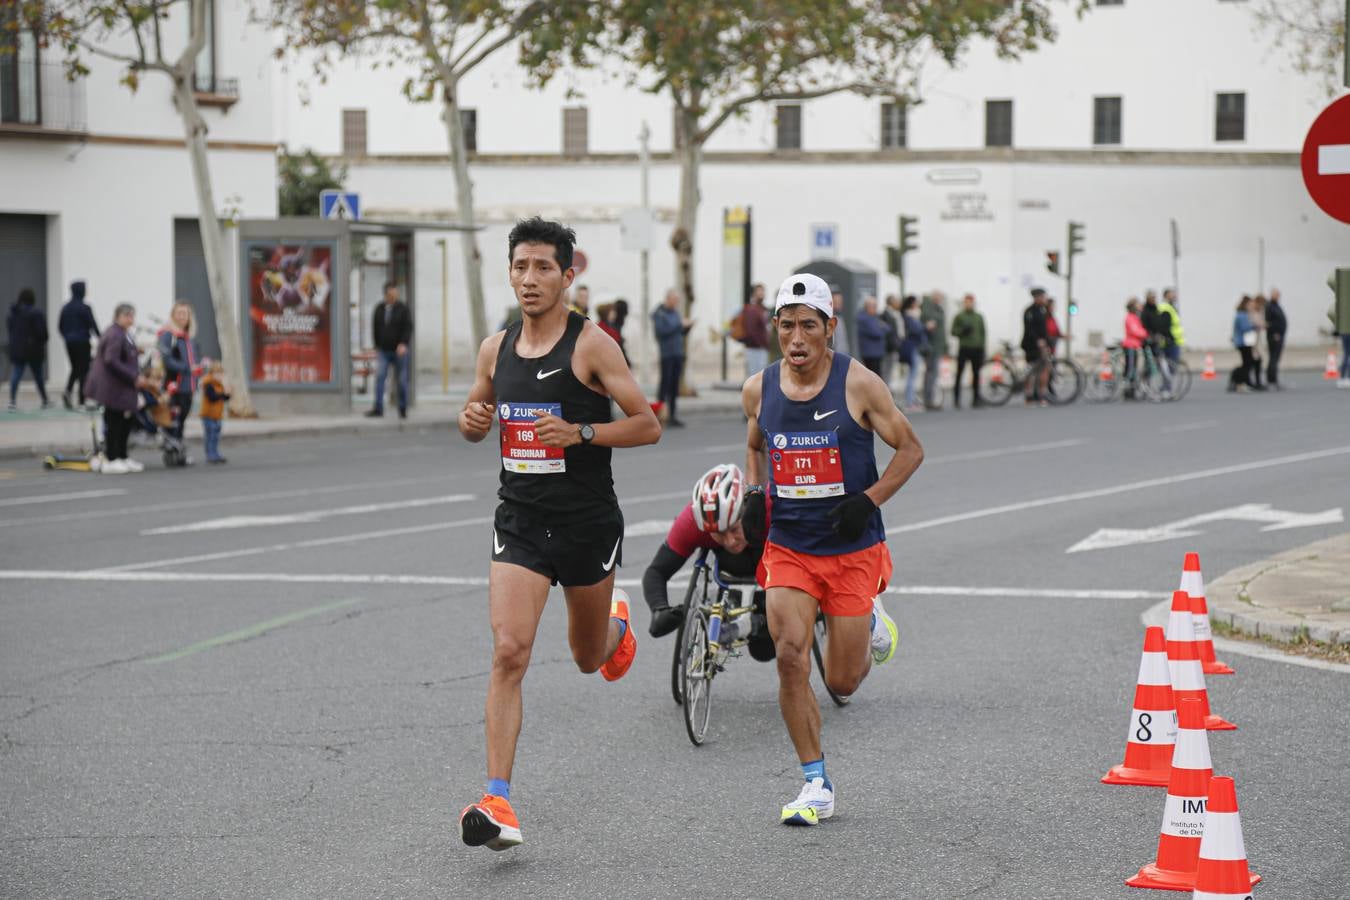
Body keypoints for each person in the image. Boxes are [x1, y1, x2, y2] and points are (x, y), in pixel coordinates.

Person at [455, 217, 661, 852]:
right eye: (520, 266)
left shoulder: (592, 345)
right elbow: (475, 417)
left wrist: (582, 433)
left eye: (544, 267)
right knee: (509, 653)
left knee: (586, 657)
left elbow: (647, 424)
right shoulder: (497, 348)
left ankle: (616, 627)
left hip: (585, 523)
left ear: (568, 276)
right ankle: (498, 800)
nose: (530, 279)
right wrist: (471, 420)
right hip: (518, 520)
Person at [742, 272, 923, 826]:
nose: (796, 339)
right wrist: (754, 491)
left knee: (842, 680)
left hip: (851, 548)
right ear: (775, 327)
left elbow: (911, 450)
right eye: (787, 326)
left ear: (830, 329)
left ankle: (872, 621)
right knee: (791, 656)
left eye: (809, 327)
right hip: (790, 546)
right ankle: (815, 781)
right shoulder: (759, 389)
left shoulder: (860, 385)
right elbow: (755, 443)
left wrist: (866, 501)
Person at [641, 464, 774, 661]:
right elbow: (657, 572)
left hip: (770, 557)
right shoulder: (693, 522)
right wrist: (659, 609)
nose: (729, 540)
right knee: (762, 650)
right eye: (719, 533)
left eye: (734, 529)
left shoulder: (770, 506)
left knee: (763, 651)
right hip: (731, 566)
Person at [84, 303, 149, 474]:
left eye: (132, 315)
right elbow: (111, 360)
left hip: (121, 387)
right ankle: (111, 458)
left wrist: (135, 353)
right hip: (113, 387)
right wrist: (133, 376)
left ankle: (122, 456)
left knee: (125, 422)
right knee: (114, 423)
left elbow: (121, 355)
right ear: (118, 316)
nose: (131, 319)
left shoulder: (123, 333)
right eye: (127, 316)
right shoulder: (115, 333)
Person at [366, 281, 412, 418]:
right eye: (391, 294)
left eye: (395, 294)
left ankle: (403, 408)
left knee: (402, 380)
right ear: (386, 294)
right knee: (380, 377)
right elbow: (375, 328)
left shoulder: (403, 309)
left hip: (399, 351)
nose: (394, 296)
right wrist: (377, 346)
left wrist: (403, 343)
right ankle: (378, 408)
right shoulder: (379, 309)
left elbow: (408, 327)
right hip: (384, 350)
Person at [157, 302, 201, 441]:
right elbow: (167, 360)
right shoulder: (168, 335)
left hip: (189, 386)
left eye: (185, 313)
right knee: (173, 420)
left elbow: (194, 359)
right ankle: (172, 450)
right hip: (175, 385)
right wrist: (188, 368)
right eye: (179, 313)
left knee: (182, 420)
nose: (182, 316)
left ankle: (179, 450)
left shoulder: (189, 336)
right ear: (173, 316)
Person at [653, 288, 693, 427]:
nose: (676, 303)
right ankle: (659, 413)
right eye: (675, 300)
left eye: (678, 301)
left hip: (677, 353)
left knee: (674, 386)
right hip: (667, 354)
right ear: (668, 299)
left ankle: (672, 415)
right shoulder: (659, 313)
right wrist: (679, 324)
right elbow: (661, 332)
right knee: (665, 385)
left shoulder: (675, 312)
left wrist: (687, 327)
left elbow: (680, 332)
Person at [6, 288, 49, 411]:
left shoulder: (12, 314)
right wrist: (41, 341)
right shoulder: (36, 313)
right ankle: (45, 400)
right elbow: (42, 333)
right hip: (33, 350)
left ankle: (12, 401)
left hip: (17, 350)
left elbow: (10, 330)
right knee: (38, 376)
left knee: (16, 375)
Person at [59, 280, 100, 408]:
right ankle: (81, 400)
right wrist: (101, 338)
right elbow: (92, 324)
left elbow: (60, 326)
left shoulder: (66, 307)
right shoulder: (85, 307)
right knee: (83, 370)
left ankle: (68, 390)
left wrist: (67, 336)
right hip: (82, 342)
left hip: (69, 342)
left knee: (76, 368)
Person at [949, 293, 986, 408]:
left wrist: (983, 348)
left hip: (976, 348)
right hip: (964, 348)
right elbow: (953, 332)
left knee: (976, 374)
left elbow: (983, 333)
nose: (969, 304)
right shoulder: (959, 316)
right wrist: (962, 331)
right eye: (967, 302)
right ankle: (956, 399)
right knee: (959, 373)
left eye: (971, 302)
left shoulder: (978, 316)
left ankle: (976, 398)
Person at [1021, 288, 1050, 405]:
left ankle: (1040, 394)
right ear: (1036, 297)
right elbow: (1029, 329)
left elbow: (1044, 330)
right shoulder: (1029, 311)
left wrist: (1046, 343)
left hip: (1042, 345)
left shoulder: (1042, 310)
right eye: (1042, 297)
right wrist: (1038, 340)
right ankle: (1028, 395)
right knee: (1030, 370)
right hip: (1031, 345)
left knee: (1043, 369)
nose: (1044, 299)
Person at [199, 360, 231, 464]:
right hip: (208, 414)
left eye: (221, 374)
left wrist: (227, 392)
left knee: (216, 435)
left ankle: (216, 452)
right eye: (217, 374)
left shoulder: (220, 385)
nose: (219, 376)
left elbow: (225, 397)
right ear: (211, 374)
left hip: (217, 415)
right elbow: (212, 397)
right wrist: (222, 394)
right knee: (211, 434)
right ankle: (210, 454)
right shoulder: (208, 384)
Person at [898, 295, 926, 412]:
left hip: (914, 348)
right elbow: (916, 330)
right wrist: (924, 326)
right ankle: (909, 401)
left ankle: (912, 399)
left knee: (913, 374)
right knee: (912, 375)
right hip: (912, 348)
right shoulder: (909, 316)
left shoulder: (908, 315)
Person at [920, 291, 947, 410]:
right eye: (939, 297)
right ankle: (928, 400)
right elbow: (928, 326)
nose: (940, 299)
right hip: (932, 348)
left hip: (937, 346)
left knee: (932, 374)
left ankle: (930, 399)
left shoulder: (937, 309)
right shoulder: (929, 310)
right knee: (931, 374)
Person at [739, 283, 770, 377]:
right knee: (754, 376)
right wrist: (761, 343)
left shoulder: (763, 309)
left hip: (762, 348)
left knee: (761, 375)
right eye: (759, 291)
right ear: (753, 294)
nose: (762, 294)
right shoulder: (752, 310)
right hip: (754, 348)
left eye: (763, 291)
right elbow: (750, 330)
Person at [1228, 297, 1258, 393]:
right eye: (1250, 304)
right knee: (1247, 363)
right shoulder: (1241, 315)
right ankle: (1239, 381)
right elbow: (1245, 327)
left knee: (1247, 363)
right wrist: (1254, 325)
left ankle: (1240, 381)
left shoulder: (1243, 314)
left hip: (1245, 342)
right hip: (1243, 342)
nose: (1251, 306)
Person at [1121, 298, 1149, 400]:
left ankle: (1131, 390)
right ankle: (1127, 390)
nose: (1140, 306)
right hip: (1130, 346)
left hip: (1135, 345)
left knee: (1133, 368)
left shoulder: (1135, 317)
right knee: (1130, 369)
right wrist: (1146, 334)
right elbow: (1135, 331)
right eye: (1138, 304)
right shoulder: (1130, 318)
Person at [855, 295, 889, 376]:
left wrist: (882, 327)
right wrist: (881, 327)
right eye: (874, 306)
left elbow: (888, 328)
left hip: (876, 353)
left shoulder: (874, 317)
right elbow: (876, 333)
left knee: (877, 376)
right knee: (873, 377)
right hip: (870, 354)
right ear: (868, 306)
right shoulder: (864, 318)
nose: (876, 308)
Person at [1264, 288, 1286, 390]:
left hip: (1279, 336)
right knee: (1273, 359)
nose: (1278, 296)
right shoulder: (1269, 306)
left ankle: (1274, 380)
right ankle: (1271, 380)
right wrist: (1274, 333)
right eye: (1276, 295)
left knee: (1275, 359)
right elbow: (1268, 322)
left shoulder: (1276, 305)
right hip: (1274, 336)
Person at [879, 295, 902, 390]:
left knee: (889, 371)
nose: (899, 303)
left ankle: (887, 391)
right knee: (886, 371)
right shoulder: (885, 314)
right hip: (889, 348)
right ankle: (885, 392)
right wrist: (894, 345)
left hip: (892, 347)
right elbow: (888, 332)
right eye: (896, 301)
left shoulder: (893, 314)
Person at [1248, 295, 1267, 389]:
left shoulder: (1259, 311)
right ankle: (1251, 381)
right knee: (1252, 360)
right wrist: (1260, 324)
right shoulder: (1250, 311)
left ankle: (1258, 381)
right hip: (1251, 339)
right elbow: (1252, 323)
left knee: (1258, 360)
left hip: (1257, 338)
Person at [829, 289, 849, 357]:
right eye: (836, 302)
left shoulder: (840, 316)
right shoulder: (828, 319)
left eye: (840, 302)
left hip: (842, 355)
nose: (839, 304)